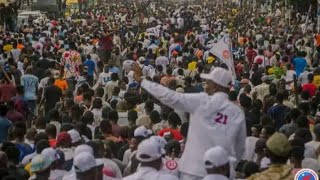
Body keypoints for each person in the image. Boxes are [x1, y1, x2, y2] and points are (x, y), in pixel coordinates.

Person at [133, 64, 246, 180]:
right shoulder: (237, 113)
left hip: (193, 171)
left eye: (207, 83)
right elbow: (240, 147)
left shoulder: (201, 101)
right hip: (222, 173)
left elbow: (170, 96)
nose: (204, 86)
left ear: (216, 86)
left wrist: (143, 81)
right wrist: (229, 166)